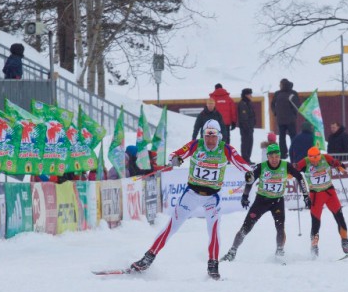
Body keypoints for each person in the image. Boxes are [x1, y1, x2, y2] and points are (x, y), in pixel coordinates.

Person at [129, 119, 250, 279]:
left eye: (213, 136)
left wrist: (249, 173)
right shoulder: (196, 145)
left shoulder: (226, 149)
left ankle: (213, 265)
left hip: (212, 198)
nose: (210, 140)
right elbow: (176, 154)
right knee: (171, 227)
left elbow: (242, 164)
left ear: (219, 136)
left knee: (213, 230)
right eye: (207, 136)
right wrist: (175, 159)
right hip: (191, 194)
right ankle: (148, 258)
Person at [221, 142, 309, 262]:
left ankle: (279, 250)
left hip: (277, 201)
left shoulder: (286, 166)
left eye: (277, 156)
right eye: (271, 157)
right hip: (261, 201)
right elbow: (250, 181)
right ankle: (232, 251)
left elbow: (300, 177)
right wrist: (245, 196)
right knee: (246, 227)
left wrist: (306, 195)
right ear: (267, 157)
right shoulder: (261, 167)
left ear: (280, 156)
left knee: (280, 227)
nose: (274, 160)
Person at [294, 146, 348, 257]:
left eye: (317, 161)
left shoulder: (325, 158)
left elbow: (336, 163)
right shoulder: (305, 161)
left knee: (339, 216)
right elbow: (294, 169)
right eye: (313, 162)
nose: (315, 164)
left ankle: (345, 243)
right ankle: (314, 246)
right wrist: (290, 173)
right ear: (309, 158)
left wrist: (340, 167)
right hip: (316, 195)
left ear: (319, 156)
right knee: (316, 222)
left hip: (329, 192)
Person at [271, 78, 301, 159]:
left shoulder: (290, 93)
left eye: (280, 84)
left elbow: (297, 105)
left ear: (283, 85)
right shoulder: (281, 93)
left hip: (287, 119)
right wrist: (276, 112)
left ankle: (289, 153)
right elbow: (273, 104)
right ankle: (289, 153)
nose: (279, 86)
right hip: (286, 119)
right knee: (286, 137)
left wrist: (276, 112)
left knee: (287, 137)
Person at [237, 87, 256, 163]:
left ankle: (247, 158)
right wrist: (247, 127)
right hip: (245, 128)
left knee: (250, 143)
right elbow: (243, 117)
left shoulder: (249, 103)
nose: (251, 96)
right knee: (245, 143)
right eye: (249, 94)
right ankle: (245, 159)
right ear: (245, 95)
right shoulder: (243, 104)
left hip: (250, 127)